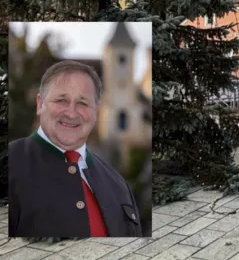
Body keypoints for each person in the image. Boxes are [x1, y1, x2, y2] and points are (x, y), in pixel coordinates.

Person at [8, 60, 143, 237]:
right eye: (61, 100)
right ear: (40, 104)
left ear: (96, 110)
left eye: (83, 103)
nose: (71, 113)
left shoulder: (119, 185)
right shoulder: (10, 163)